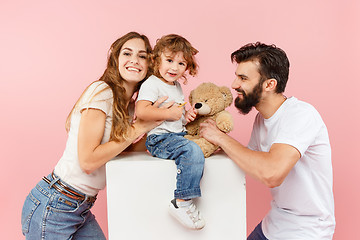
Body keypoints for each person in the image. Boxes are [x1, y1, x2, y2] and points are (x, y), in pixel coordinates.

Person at [21, 32, 167, 239]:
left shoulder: (131, 108)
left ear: (149, 65)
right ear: (115, 60)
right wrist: (139, 128)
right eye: (127, 53)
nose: (134, 60)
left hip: (79, 207)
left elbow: (120, 152)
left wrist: (161, 127)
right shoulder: (101, 91)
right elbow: (88, 161)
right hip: (55, 204)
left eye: (142, 56)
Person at [199, 42, 335, 239]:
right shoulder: (261, 119)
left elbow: (271, 173)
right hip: (274, 224)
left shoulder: (301, 115)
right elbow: (249, 161)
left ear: (269, 85)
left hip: (307, 231)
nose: (234, 84)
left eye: (243, 78)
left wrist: (220, 138)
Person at [135, 34, 206, 230]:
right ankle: (181, 201)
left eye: (181, 63)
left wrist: (186, 117)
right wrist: (169, 113)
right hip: (159, 139)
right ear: (156, 59)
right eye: (169, 61)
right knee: (191, 151)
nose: (174, 68)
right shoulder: (151, 83)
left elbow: (177, 117)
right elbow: (141, 111)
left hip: (176, 134)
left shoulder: (176, 86)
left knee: (204, 143)